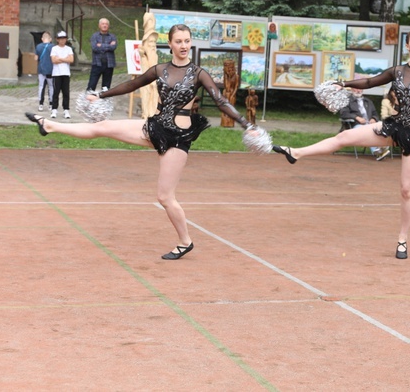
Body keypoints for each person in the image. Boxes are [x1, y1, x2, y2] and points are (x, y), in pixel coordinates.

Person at [24, 24, 259, 260]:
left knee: (165, 197)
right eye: (179, 41)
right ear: (170, 44)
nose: (184, 46)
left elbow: (220, 100)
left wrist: (245, 123)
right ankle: (49, 125)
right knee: (103, 127)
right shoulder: (160, 69)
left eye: (187, 41)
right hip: (155, 128)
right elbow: (131, 85)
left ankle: (185, 241)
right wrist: (100, 95)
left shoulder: (198, 73)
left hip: (177, 138)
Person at [272, 28, 410, 260]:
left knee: (407, 189)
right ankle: (296, 153)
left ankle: (402, 239)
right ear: (408, 46)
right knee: (344, 138)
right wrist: (343, 83)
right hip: (393, 126)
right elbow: (370, 81)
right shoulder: (397, 71)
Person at [338, 87, 388, 161]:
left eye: (360, 89)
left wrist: (374, 119)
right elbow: (343, 114)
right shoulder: (347, 101)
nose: (358, 90)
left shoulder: (368, 101)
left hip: (369, 125)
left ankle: (382, 148)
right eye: (356, 89)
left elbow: (375, 114)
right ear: (352, 89)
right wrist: (356, 117)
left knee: (381, 125)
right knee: (369, 131)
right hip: (354, 125)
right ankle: (377, 151)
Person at [87, 18, 117, 92]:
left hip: (109, 64)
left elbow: (113, 47)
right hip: (97, 64)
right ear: (99, 25)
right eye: (103, 24)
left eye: (106, 24)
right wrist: (108, 46)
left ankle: (104, 102)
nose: (104, 25)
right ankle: (88, 100)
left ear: (108, 26)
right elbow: (95, 48)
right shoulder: (95, 36)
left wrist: (101, 45)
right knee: (91, 85)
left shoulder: (112, 36)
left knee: (106, 87)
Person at [49, 31, 73, 119]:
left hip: (66, 73)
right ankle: (54, 109)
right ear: (57, 39)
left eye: (64, 38)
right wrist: (65, 59)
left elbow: (71, 59)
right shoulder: (54, 48)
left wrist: (60, 58)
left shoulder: (68, 49)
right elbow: (54, 60)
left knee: (66, 92)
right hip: (57, 73)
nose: (62, 40)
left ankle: (66, 109)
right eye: (61, 39)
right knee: (56, 91)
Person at [35, 31, 54, 112]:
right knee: (51, 87)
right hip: (51, 70)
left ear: (42, 39)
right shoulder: (53, 47)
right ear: (50, 39)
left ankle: (41, 104)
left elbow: (35, 58)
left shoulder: (38, 46)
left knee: (41, 86)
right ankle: (51, 104)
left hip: (41, 70)